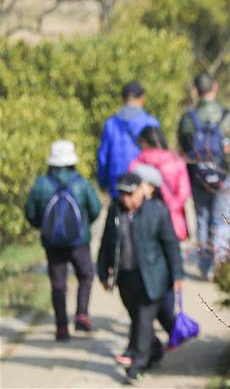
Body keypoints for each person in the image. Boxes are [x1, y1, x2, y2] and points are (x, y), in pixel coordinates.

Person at [97, 171, 184, 383]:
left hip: (152, 277)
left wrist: (177, 274)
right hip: (126, 277)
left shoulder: (158, 212)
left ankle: (137, 364)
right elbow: (106, 242)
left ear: (140, 191)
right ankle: (154, 350)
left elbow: (171, 245)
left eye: (130, 194)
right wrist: (102, 270)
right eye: (122, 194)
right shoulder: (115, 211)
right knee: (137, 318)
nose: (126, 199)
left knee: (144, 319)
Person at [24, 140, 101, 341]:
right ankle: (82, 314)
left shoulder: (41, 184)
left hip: (52, 244)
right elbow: (95, 209)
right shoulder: (81, 183)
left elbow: (31, 213)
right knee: (86, 275)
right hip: (79, 241)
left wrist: (46, 228)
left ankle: (61, 327)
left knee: (58, 284)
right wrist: (82, 226)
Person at [177, 73, 230, 281]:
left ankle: (204, 267)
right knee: (222, 219)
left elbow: (184, 146)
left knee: (202, 218)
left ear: (195, 90)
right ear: (216, 86)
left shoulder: (188, 119)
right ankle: (220, 264)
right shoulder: (229, 116)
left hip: (197, 175)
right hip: (223, 174)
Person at [97, 81, 160, 198]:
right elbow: (159, 155)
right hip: (145, 185)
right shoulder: (151, 123)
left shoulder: (111, 124)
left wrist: (103, 183)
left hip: (117, 184)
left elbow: (103, 157)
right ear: (142, 98)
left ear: (123, 99)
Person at [129, 125, 191, 243]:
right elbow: (183, 194)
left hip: (143, 220)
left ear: (144, 142)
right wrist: (169, 209)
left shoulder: (136, 165)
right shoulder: (176, 162)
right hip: (172, 221)